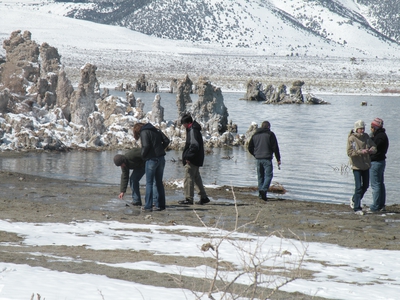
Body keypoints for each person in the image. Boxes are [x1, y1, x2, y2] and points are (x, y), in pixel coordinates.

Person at [133, 122, 170, 212]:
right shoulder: (156, 130)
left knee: (149, 183)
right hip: (161, 158)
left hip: (151, 160)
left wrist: (143, 156)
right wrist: (160, 149)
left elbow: (146, 146)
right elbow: (167, 141)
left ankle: (148, 206)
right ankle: (160, 205)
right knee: (159, 182)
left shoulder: (144, 132)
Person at [178, 114, 211, 205]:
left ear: (188, 123)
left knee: (188, 178)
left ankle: (189, 198)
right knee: (196, 178)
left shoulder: (192, 130)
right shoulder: (194, 129)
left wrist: (188, 157)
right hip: (197, 158)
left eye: (184, 123)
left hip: (193, 158)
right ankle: (203, 197)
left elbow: (194, 145)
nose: (183, 126)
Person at [347, 120, 376, 215]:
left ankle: (355, 199)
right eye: (360, 129)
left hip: (366, 165)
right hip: (356, 166)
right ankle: (357, 208)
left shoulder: (367, 137)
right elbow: (350, 152)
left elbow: (374, 146)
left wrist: (372, 150)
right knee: (358, 187)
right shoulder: (352, 138)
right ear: (356, 129)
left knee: (366, 185)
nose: (362, 130)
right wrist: (361, 152)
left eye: (363, 128)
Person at [248, 121, 281, 201]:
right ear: (268, 127)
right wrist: (278, 159)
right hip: (267, 158)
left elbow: (250, 147)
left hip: (258, 159)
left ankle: (261, 195)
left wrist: (255, 154)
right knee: (269, 175)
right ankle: (263, 190)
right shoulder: (270, 134)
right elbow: (275, 147)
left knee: (260, 177)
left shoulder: (255, 135)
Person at [368, 118, 389, 213]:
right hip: (381, 162)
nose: (370, 129)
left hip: (375, 162)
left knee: (375, 185)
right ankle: (381, 204)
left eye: (371, 127)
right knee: (380, 184)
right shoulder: (383, 135)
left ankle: (375, 206)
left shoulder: (379, 137)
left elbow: (372, 149)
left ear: (375, 127)